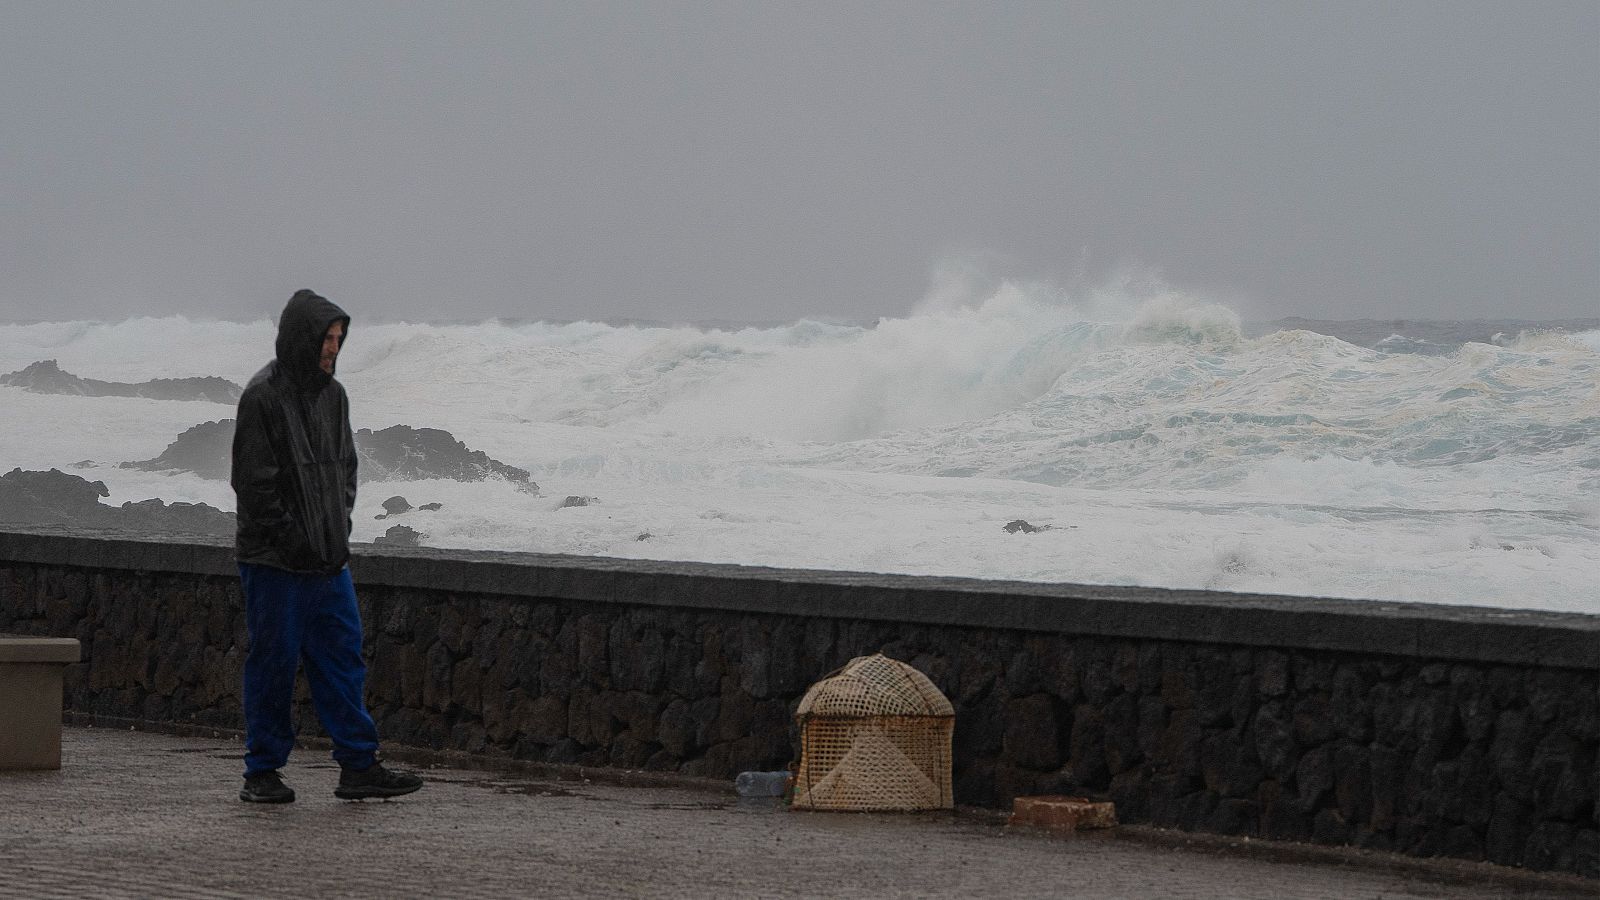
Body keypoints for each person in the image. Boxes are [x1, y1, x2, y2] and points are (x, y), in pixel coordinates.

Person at [230, 289, 422, 803]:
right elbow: (254, 487)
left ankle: (358, 765)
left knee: (343, 662)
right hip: (275, 565)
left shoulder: (334, 396)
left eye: (338, 338)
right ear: (302, 337)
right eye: (326, 338)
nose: (333, 348)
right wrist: (295, 542)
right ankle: (262, 772)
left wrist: (339, 525)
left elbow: (347, 468)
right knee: (273, 664)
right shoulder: (263, 396)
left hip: (329, 563)